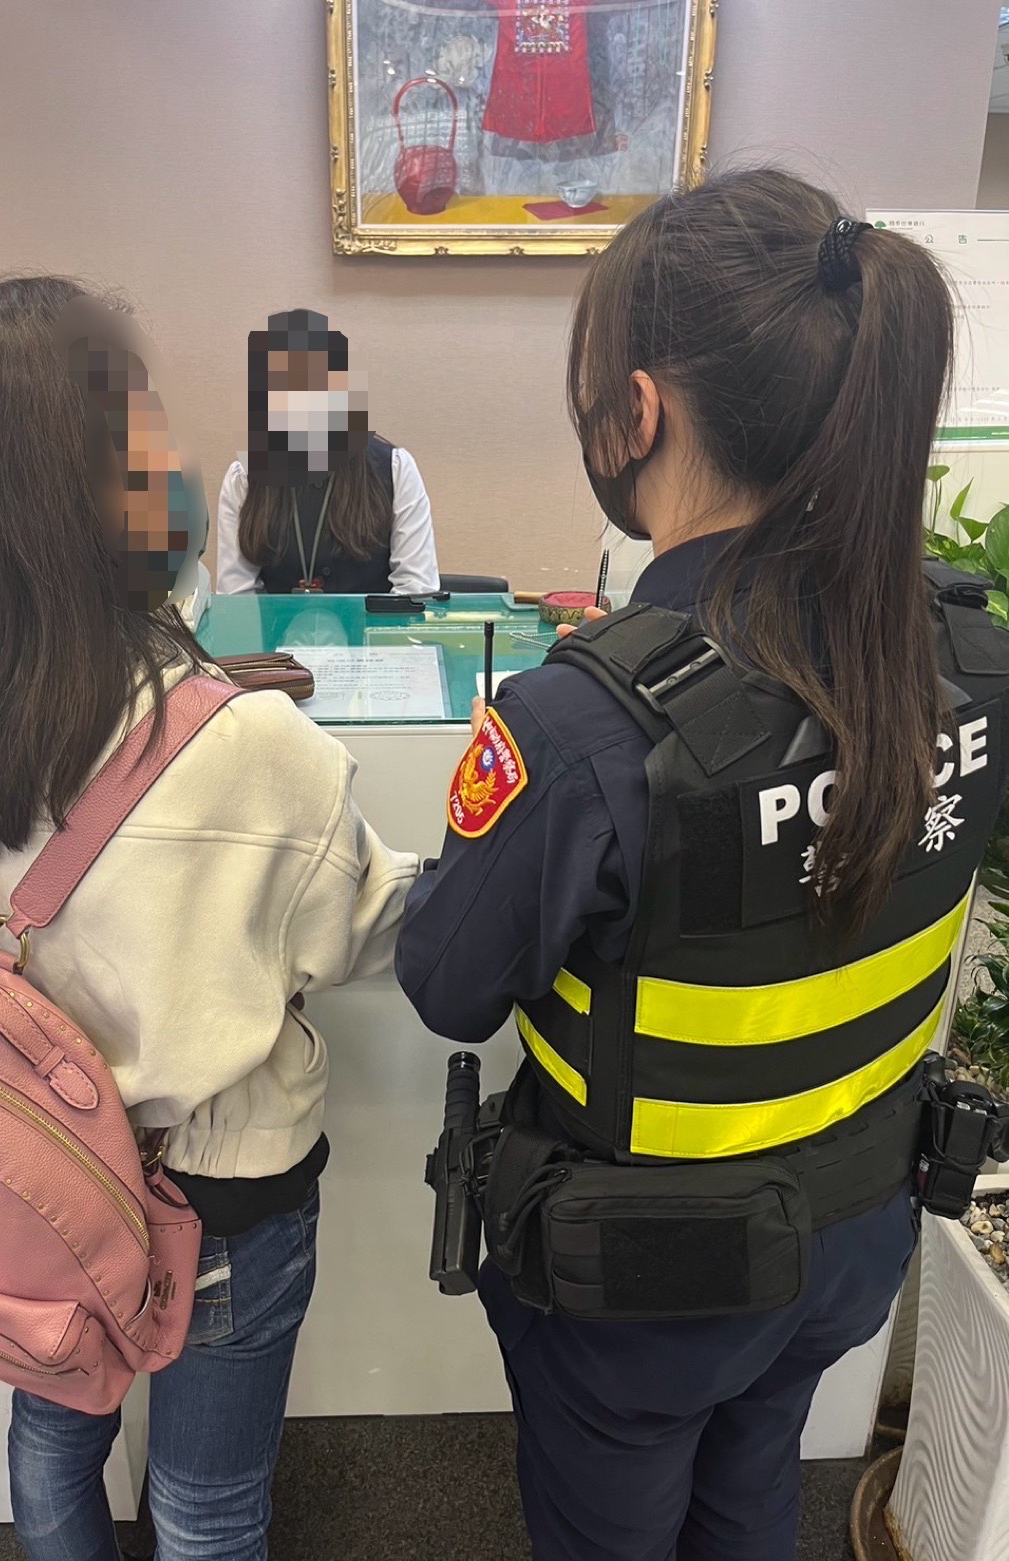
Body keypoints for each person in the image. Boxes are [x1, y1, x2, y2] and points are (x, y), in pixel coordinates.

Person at [396, 168, 1009, 1561]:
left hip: (643, 1284)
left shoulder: (583, 726)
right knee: (748, 1495)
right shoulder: (970, 657)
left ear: (638, 409)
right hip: (850, 1229)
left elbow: (447, 983)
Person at [0, 276, 419, 1561]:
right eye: (146, 420)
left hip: (16, 1177)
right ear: (107, 475)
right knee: (206, 1503)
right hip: (215, 1195)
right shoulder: (248, 744)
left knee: (53, 1436)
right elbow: (364, 928)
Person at [216, 308, 440, 596]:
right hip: (271, 628)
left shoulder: (395, 468)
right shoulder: (243, 478)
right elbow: (236, 597)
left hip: (375, 627)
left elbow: (416, 589)